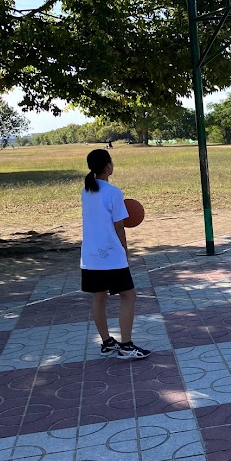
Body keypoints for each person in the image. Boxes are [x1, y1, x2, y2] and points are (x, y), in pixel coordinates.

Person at [81, 149, 151, 358]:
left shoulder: (86, 191)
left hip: (90, 256)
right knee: (128, 295)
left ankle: (106, 342)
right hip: (110, 255)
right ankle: (126, 346)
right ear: (109, 167)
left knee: (99, 297)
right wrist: (125, 250)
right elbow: (119, 226)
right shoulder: (113, 192)